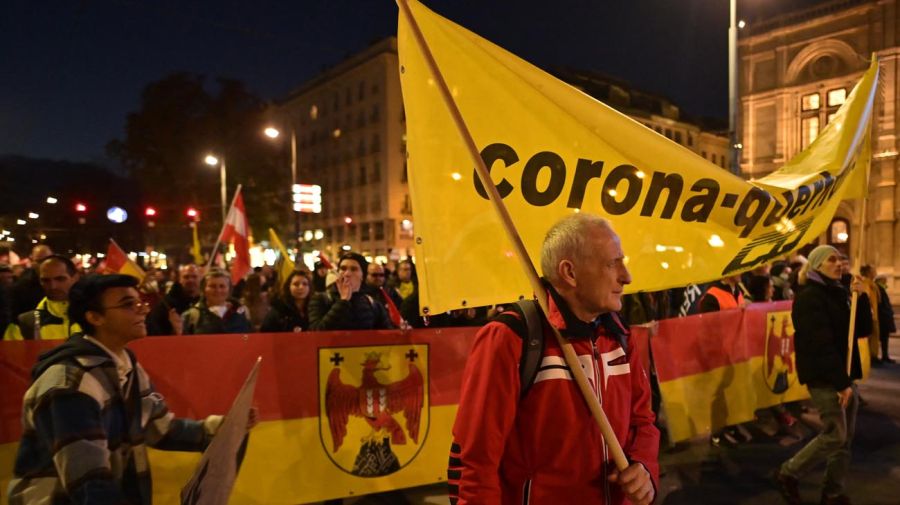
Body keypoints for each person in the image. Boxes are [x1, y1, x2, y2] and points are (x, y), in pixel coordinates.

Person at [449, 214, 658, 504]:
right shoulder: (509, 338)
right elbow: (475, 461)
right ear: (569, 273)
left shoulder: (619, 335)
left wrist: (644, 467)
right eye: (612, 264)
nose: (627, 277)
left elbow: (642, 422)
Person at [7, 273, 258, 504]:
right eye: (129, 305)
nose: (143, 311)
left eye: (141, 303)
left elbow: (160, 429)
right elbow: (88, 482)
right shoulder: (69, 384)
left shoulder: (125, 364)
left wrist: (226, 427)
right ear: (94, 317)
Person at [775, 245, 870, 505]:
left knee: (845, 440)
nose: (839, 263)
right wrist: (841, 384)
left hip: (843, 374)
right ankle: (788, 472)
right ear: (817, 266)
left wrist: (861, 299)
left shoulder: (839, 292)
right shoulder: (809, 298)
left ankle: (832, 493)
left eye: (840, 259)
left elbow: (861, 330)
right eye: (832, 260)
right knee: (835, 434)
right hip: (825, 376)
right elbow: (820, 344)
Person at [308, 252, 393, 331]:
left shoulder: (372, 303)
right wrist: (343, 302)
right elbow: (316, 332)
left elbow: (387, 334)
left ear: (363, 275)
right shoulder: (321, 299)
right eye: (343, 268)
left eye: (354, 269)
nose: (347, 274)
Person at [4, 255, 81, 340]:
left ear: (75, 277)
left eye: (60, 279)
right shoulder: (25, 323)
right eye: (45, 280)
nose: (53, 286)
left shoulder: (94, 316)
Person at [181, 269, 252, 335]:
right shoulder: (190, 316)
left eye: (222, 286)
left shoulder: (242, 312)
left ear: (229, 289)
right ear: (203, 289)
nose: (218, 290)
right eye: (212, 286)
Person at [146, 264, 201, 336]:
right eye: (186, 277)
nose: (190, 280)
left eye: (194, 277)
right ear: (179, 280)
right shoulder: (167, 304)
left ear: (200, 279)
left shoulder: (205, 301)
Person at [9, 244, 53, 318]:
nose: (44, 264)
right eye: (39, 261)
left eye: (47, 259)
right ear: (32, 261)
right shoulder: (21, 286)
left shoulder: (62, 281)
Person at [362, 262, 404, 327]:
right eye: (374, 275)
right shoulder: (362, 294)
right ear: (366, 276)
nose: (378, 278)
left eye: (381, 275)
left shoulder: (390, 291)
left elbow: (401, 309)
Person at [874, 274, 896, 362]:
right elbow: (881, 304)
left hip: (884, 317)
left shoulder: (881, 288)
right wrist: (887, 312)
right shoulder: (878, 289)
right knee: (883, 338)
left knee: (884, 338)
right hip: (882, 317)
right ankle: (883, 356)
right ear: (880, 280)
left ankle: (884, 355)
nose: (886, 281)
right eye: (884, 280)